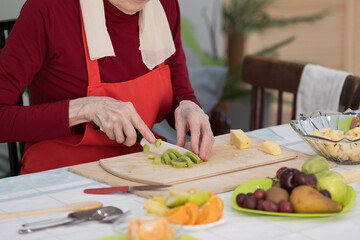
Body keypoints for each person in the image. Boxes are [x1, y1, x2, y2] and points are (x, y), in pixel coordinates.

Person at [0, 0, 215, 174]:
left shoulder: (163, 6)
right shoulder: (47, 9)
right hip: (61, 173)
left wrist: (188, 106)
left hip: (139, 167)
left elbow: (180, 91)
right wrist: (84, 109)